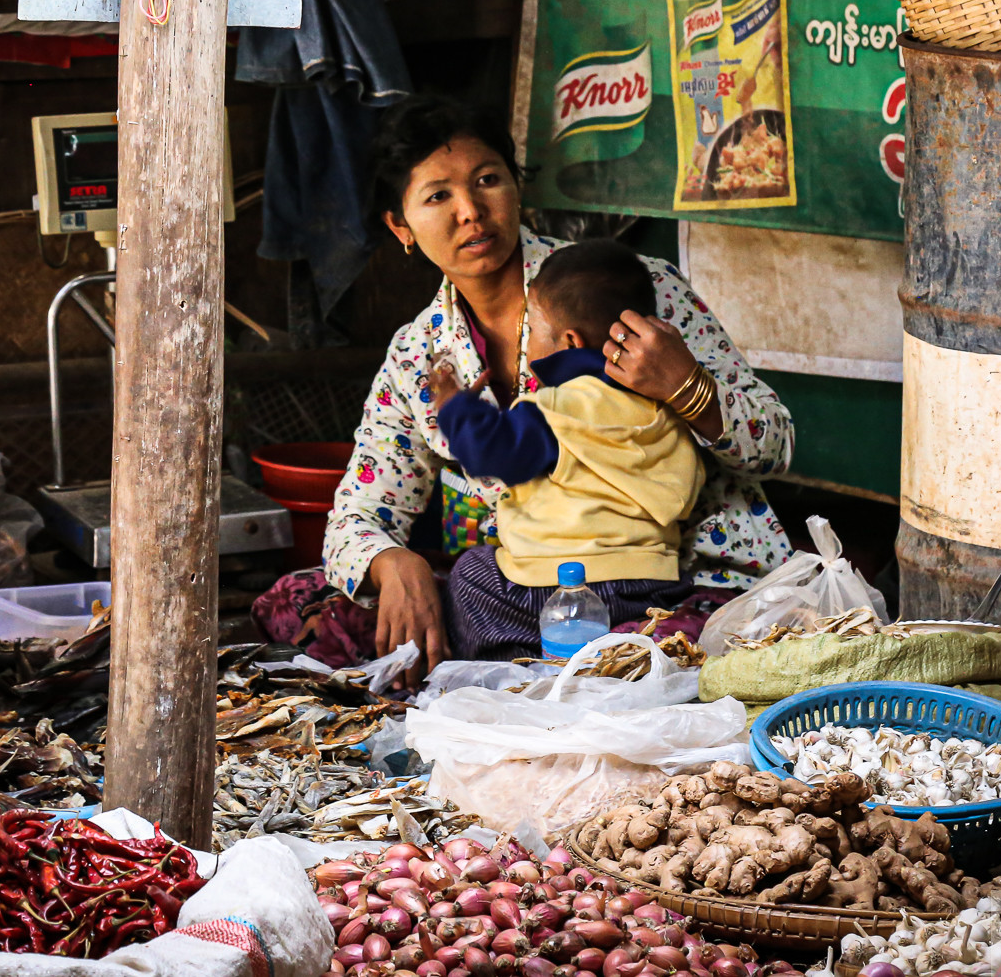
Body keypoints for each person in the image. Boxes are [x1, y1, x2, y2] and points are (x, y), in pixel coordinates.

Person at [322, 94, 795, 682]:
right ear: (402, 228)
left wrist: (686, 387)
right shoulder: (417, 355)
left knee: (662, 660)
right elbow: (356, 518)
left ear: (517, 190)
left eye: (487, 180)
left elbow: (775, 444)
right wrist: (393, 562)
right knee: (319, 605)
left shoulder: (623, 288)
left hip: (686, 585)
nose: (470, 210)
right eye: (438, 195)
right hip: (533, 591)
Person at [428, 239, 706, 659]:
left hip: (559, 590)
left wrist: (457, 408)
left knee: (471, 574)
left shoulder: (560, 409)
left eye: (533, 330)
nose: (528, 343)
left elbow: (491, 451)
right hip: (652, 586)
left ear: (571, 342)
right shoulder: (667, 410)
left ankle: (511, 667)